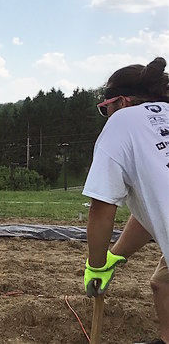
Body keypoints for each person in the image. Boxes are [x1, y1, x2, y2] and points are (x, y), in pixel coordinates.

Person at [82, 57, 169, 343]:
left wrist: (95, 266)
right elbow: (149, 214)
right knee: (162, 282)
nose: (107, 116)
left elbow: (102, 207)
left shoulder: (123, 120)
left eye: (105, 109)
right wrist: (113, 257)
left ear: (122, 102)